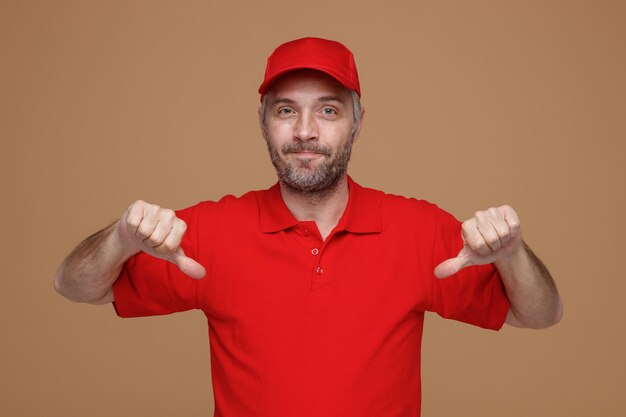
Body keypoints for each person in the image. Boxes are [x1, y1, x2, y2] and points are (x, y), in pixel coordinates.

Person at [54, 37, 562, 417]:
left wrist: (513, 252)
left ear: (357, 123)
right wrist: (120, 238)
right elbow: (75, 287)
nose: (304, 131)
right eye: (286, 111)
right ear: (263, 124)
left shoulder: (419, 229)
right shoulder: (208, 232)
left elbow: (540, 315)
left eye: (327, 110)